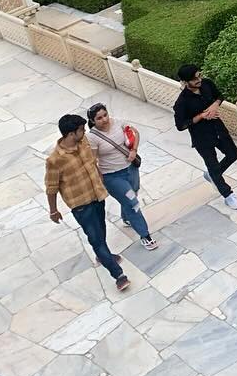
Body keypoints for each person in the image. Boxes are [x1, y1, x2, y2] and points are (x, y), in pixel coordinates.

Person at [45, 114, 130, 291]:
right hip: (81, 205)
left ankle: (103, 256)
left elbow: (92, 163)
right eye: (81, 130)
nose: (84, 132)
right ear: (70, 134)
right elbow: (51, 187)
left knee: (101, 231)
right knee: (95, 240)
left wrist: (99, 177)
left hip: (97, 196)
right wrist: (53, 211)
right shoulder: (55, 160)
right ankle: (118, 275)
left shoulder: (83, 143)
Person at [86, 103, 157, 250]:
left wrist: (134, 150)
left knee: (134, 191)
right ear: (93, 121)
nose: (104, 120)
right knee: (132, 202)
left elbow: (135, 133)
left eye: (105, 115)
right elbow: (92, 161)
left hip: (130, 168)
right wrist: (98, 180)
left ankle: (126, 218)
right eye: (99, 118)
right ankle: (145, 235)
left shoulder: (118, 122)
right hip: (112, 176)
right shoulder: (92, 137)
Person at [174, 65, 237, 210]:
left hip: (218, 128)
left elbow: (219, 96)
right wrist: (201, 116)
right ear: (186, 82)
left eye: (199, 76)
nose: (199, 80)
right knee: (213, 164)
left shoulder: (207, 84)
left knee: (233, 154)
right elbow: (180, 125)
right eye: (195, 79)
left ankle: (212, 175)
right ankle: (228, 195)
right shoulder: (182, 101)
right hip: (202, 137)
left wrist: (215, 105)